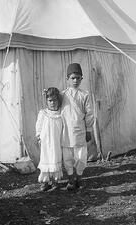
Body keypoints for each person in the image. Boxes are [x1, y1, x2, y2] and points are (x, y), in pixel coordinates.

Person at [61, 63, 94, 191]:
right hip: (66, 132)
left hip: (80, 131)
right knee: (68, 157)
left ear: (82, 79)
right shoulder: (62, 95)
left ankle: (79, 178)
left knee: (81, 157)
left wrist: (89, 130)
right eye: (73, 78)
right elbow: (54, 109)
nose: (75, 81)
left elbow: (89, 114)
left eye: (78, 78)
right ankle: (70, 179)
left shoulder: (84, 95)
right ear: (67, 79)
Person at [36, 87, 63, 191]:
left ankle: (55, 180)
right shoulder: (43, 113)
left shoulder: (60, 113)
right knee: (46, 158)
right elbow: (39, 126)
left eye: (55, 100)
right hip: (46, 142)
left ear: (58, 100)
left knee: (56, 158)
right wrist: (39, 136)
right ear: (46, 101)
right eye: (50, 100)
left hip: (56, 141)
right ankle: (45, 181)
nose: (52, 103)